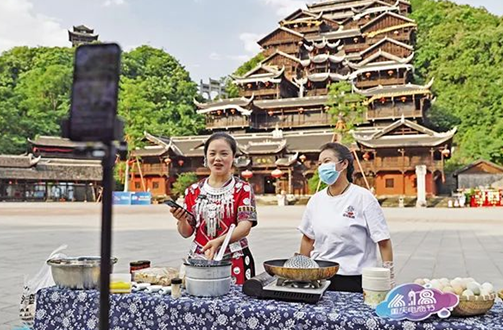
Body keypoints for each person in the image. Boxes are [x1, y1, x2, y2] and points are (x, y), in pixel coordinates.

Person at [298, 142, 393, 292]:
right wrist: (300, 273)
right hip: (320, 277)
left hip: (355, 279)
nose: (322, 167)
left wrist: (389, 276)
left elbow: (383, 240)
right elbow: (308, 239)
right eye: (320, 163)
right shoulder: (316, 200)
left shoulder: (363, 198)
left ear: (343, 164)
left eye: (327, 161)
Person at [170, 132, 257, 284]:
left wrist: (219, 241)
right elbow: (186, 232)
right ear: (205, 157)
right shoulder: (193, 191)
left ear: (233, 157)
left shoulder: (243, 189)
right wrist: (182, 220)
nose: (218, 159)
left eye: (224, 154)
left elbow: (244, 227)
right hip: (199, 259)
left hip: (234, 259)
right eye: (212, 153)